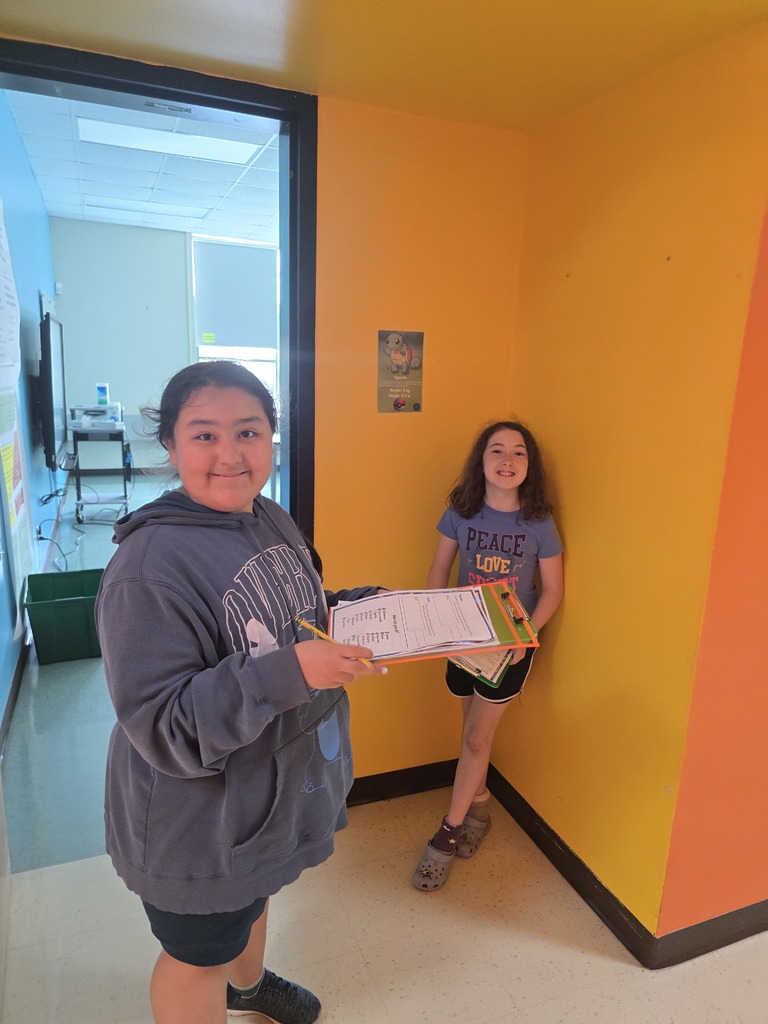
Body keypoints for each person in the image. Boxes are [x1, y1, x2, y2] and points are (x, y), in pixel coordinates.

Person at [95, 360, 386, 1024]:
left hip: (267, 799)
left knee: (252, 903)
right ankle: (225, 983)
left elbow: (297, 615)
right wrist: (294, 672)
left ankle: (248, 988)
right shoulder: (147, 569)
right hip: (199, 826)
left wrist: (370, 612)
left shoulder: (268, 516)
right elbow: (166, 725)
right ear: (170, 445)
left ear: (271, 439)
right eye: (204, 435)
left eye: (249, 432)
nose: (230, 455)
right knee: (197, 959)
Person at [411, 420, 564, 892]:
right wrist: (437, 618)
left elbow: (553, 590)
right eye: (497, 450)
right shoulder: (461, 511)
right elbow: (441, 565)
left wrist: (524, 636)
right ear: (481, 460)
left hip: (510, 648)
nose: (507, 460)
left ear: (529, 465)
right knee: (470, 733)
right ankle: (479, 807)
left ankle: (447, 836)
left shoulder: (539, 523)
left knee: (477, 739)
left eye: (519, 452)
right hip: (463, 641)